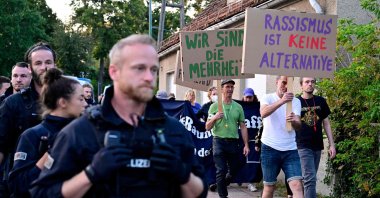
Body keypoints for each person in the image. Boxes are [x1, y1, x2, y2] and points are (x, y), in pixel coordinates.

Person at [30, 34, 207, 197]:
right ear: (114, 72)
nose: (149, 77)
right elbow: (42, 193)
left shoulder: (173, 130)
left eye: (153, 69)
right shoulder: (80, 132)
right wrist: (91, 174)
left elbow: (200, 191)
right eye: (139, 68)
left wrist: (181, 173)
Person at [7, 68, 87, 197]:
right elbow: (18, 185)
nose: (85, 104)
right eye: (81, 98)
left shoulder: (81, 134)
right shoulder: (33, 135)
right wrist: (50, 155)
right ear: (63, 102)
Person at [0, 42, 56, 197]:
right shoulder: (13, 103)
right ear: (30, 68)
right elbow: (1, 147)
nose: (44, 67)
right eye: (38, 63)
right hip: (23, 186)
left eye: (48, 62)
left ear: (55, 65)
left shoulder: (70, 101)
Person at [260, 76, 303, 198]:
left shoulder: (296, 101)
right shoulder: (267, 97)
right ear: (277, 82)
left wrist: (295, 121)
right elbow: (263, 113)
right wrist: (282, 101)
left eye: (289, 83)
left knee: (297, 185)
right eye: (283, 82)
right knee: (269, 187)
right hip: (269, 147)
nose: (285, 86)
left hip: (290, 149)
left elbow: (298, 126)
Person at [206, 79, 250, 198]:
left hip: (233, 142)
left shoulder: (238, 107)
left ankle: (219, 185)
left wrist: (246, 145)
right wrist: (215, 117)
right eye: (227, 87)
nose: (230, 89)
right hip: (218, 141)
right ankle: (223, 195)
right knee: (221, 170)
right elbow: (207, 127)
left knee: (234, 169)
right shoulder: (214, 106)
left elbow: (243, 126)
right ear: (222, 89)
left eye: (232, 87)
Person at [296, 77, 336, 198]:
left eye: (312, 82)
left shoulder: (321, 101)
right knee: (310, 179)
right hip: (302, 145)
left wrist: (332, 144)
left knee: (308, 178)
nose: (310, 84)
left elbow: (326, 123)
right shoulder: (296, 102)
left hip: (317, 145)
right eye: (307, 82)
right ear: (301, 85)